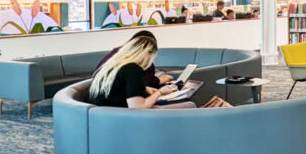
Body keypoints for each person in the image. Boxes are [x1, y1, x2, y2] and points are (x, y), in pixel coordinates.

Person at [89, 34, 230, 109]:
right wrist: (159, 92)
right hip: (127, 118)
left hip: (109, 116)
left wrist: (145, 89)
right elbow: (138, 108)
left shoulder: (112, 66)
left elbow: (118, 90)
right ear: (147, 53)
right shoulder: (132, 69)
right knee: (191, 105)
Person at [95, 31, 171, 88]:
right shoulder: (132, 69)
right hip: (120, 107)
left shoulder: (114, 56)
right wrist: (162, 83)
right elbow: (149, 83)